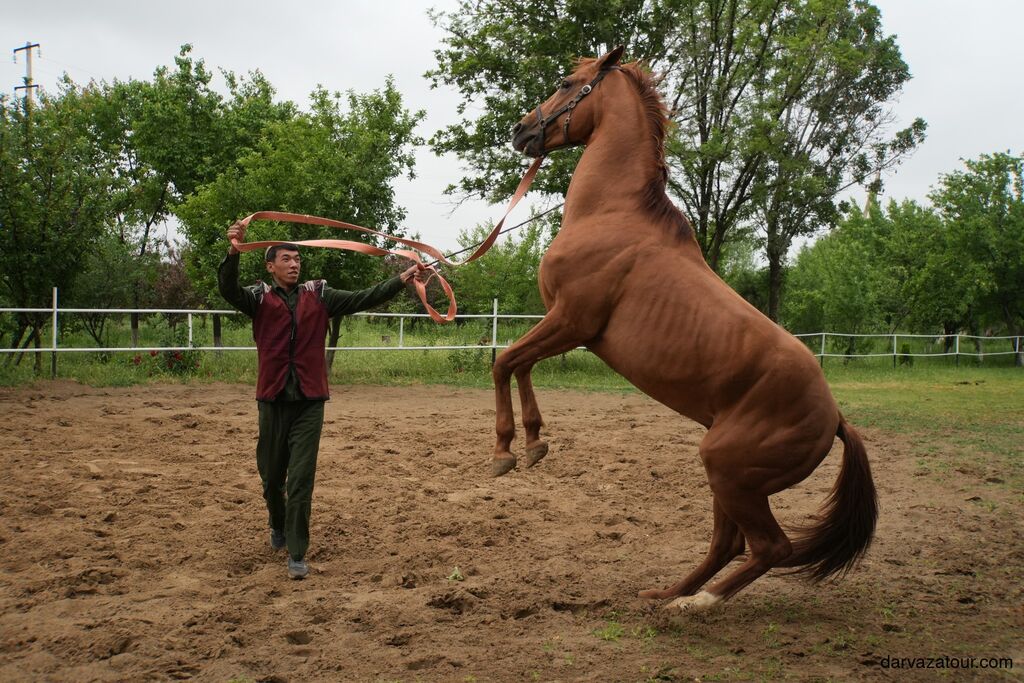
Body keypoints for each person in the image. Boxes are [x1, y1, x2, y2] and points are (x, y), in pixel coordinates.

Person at [219, 222, 424, 579]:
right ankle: (277, 523)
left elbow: (365, 296)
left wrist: (402, 278)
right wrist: (233, 251)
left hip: (310, 401)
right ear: (270, 265)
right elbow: (226, 288)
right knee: (271, 479)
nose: (294, 265)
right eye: (286, 259)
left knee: (300, 480)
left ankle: (297, 553)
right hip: (272, 399)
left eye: (297, 259)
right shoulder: (258, 298)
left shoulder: (320, 295)